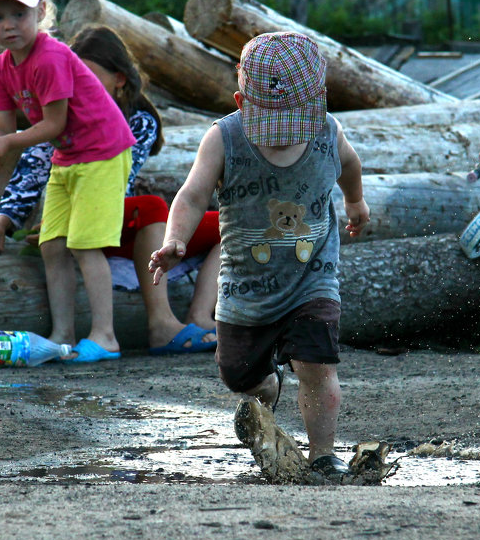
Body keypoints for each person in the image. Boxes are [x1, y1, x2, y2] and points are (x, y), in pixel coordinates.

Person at [149, 31, 369, 479]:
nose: (282, 138)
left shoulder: (329, 131)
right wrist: (176, 239)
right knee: (238, 375)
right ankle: (269, 382)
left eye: (294, 126)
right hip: (245, 287)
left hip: (313, 276)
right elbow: (191, 196)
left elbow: (349, 164)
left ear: (321, 102)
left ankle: (323, 455)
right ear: (241, 102)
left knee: (317, 365)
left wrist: (355, 202)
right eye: (273, 127)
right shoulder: (224, 139)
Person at [0, 24, 222, 355]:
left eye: (88, 76)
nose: (77, 84)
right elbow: (31, 167)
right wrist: (3, 220)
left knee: (209, 221)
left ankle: (195, 316)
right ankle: (82, 332)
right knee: (136, 213)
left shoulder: (137, 120)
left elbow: (118, 182)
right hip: (92, 219)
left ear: (119, 79)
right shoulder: (60, 108)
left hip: (105, 213)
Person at [0, 0, 135, 363]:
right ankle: (62, 334)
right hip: (69, 156)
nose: (9, 24)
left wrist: (10, 140)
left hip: (103, 150)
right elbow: (2, 130)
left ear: (41, 12)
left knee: (87, 245)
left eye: (19, 13)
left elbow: (54, 123)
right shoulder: (1, 68)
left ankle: (105, 336)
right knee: (51, 244)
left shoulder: (50, 56)